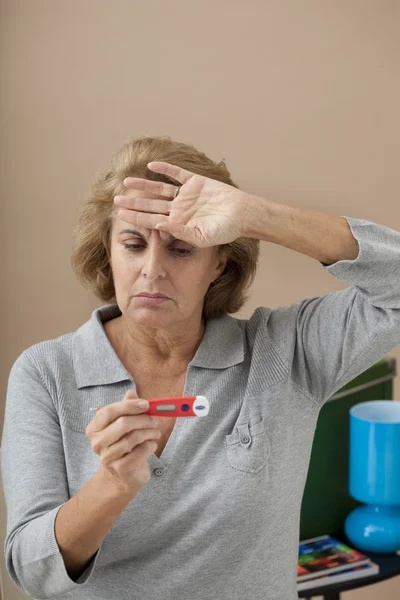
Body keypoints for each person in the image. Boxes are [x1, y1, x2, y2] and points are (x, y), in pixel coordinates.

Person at [1, 135, 400, 600]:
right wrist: (111, 486)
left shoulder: (287, 352)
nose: (152, 270)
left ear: (219, 264)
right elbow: (30, 571)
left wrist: (255, 216)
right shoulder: (45, 373)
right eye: (132, 244)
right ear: (107, 254)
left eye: (181, 249)